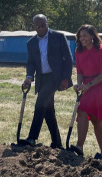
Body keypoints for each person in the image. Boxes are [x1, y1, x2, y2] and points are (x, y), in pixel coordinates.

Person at [23, 14, 74, 148]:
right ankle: (57, 143)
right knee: (48, 110)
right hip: (42, 78)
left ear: (47, 23)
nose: (41, 29)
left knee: (40, 103)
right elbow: (31, 63)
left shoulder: (58, 37)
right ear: (34, 26)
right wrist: (29, 76)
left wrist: (65, 78)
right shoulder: (31, 43)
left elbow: (68, 59)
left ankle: (32, 137)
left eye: (43, 25)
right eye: (38, 26)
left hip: (54, 77)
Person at [70, 24, 102, 156]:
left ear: (92, 37)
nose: (82, 38)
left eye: (85, 36)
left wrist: (88, 85)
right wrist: (79, 85)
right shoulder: (78, 51)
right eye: (80, 36)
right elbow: (79, 72)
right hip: (86, 86)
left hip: (100, 86)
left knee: (96, 120)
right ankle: (79, 146)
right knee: (82, 110)